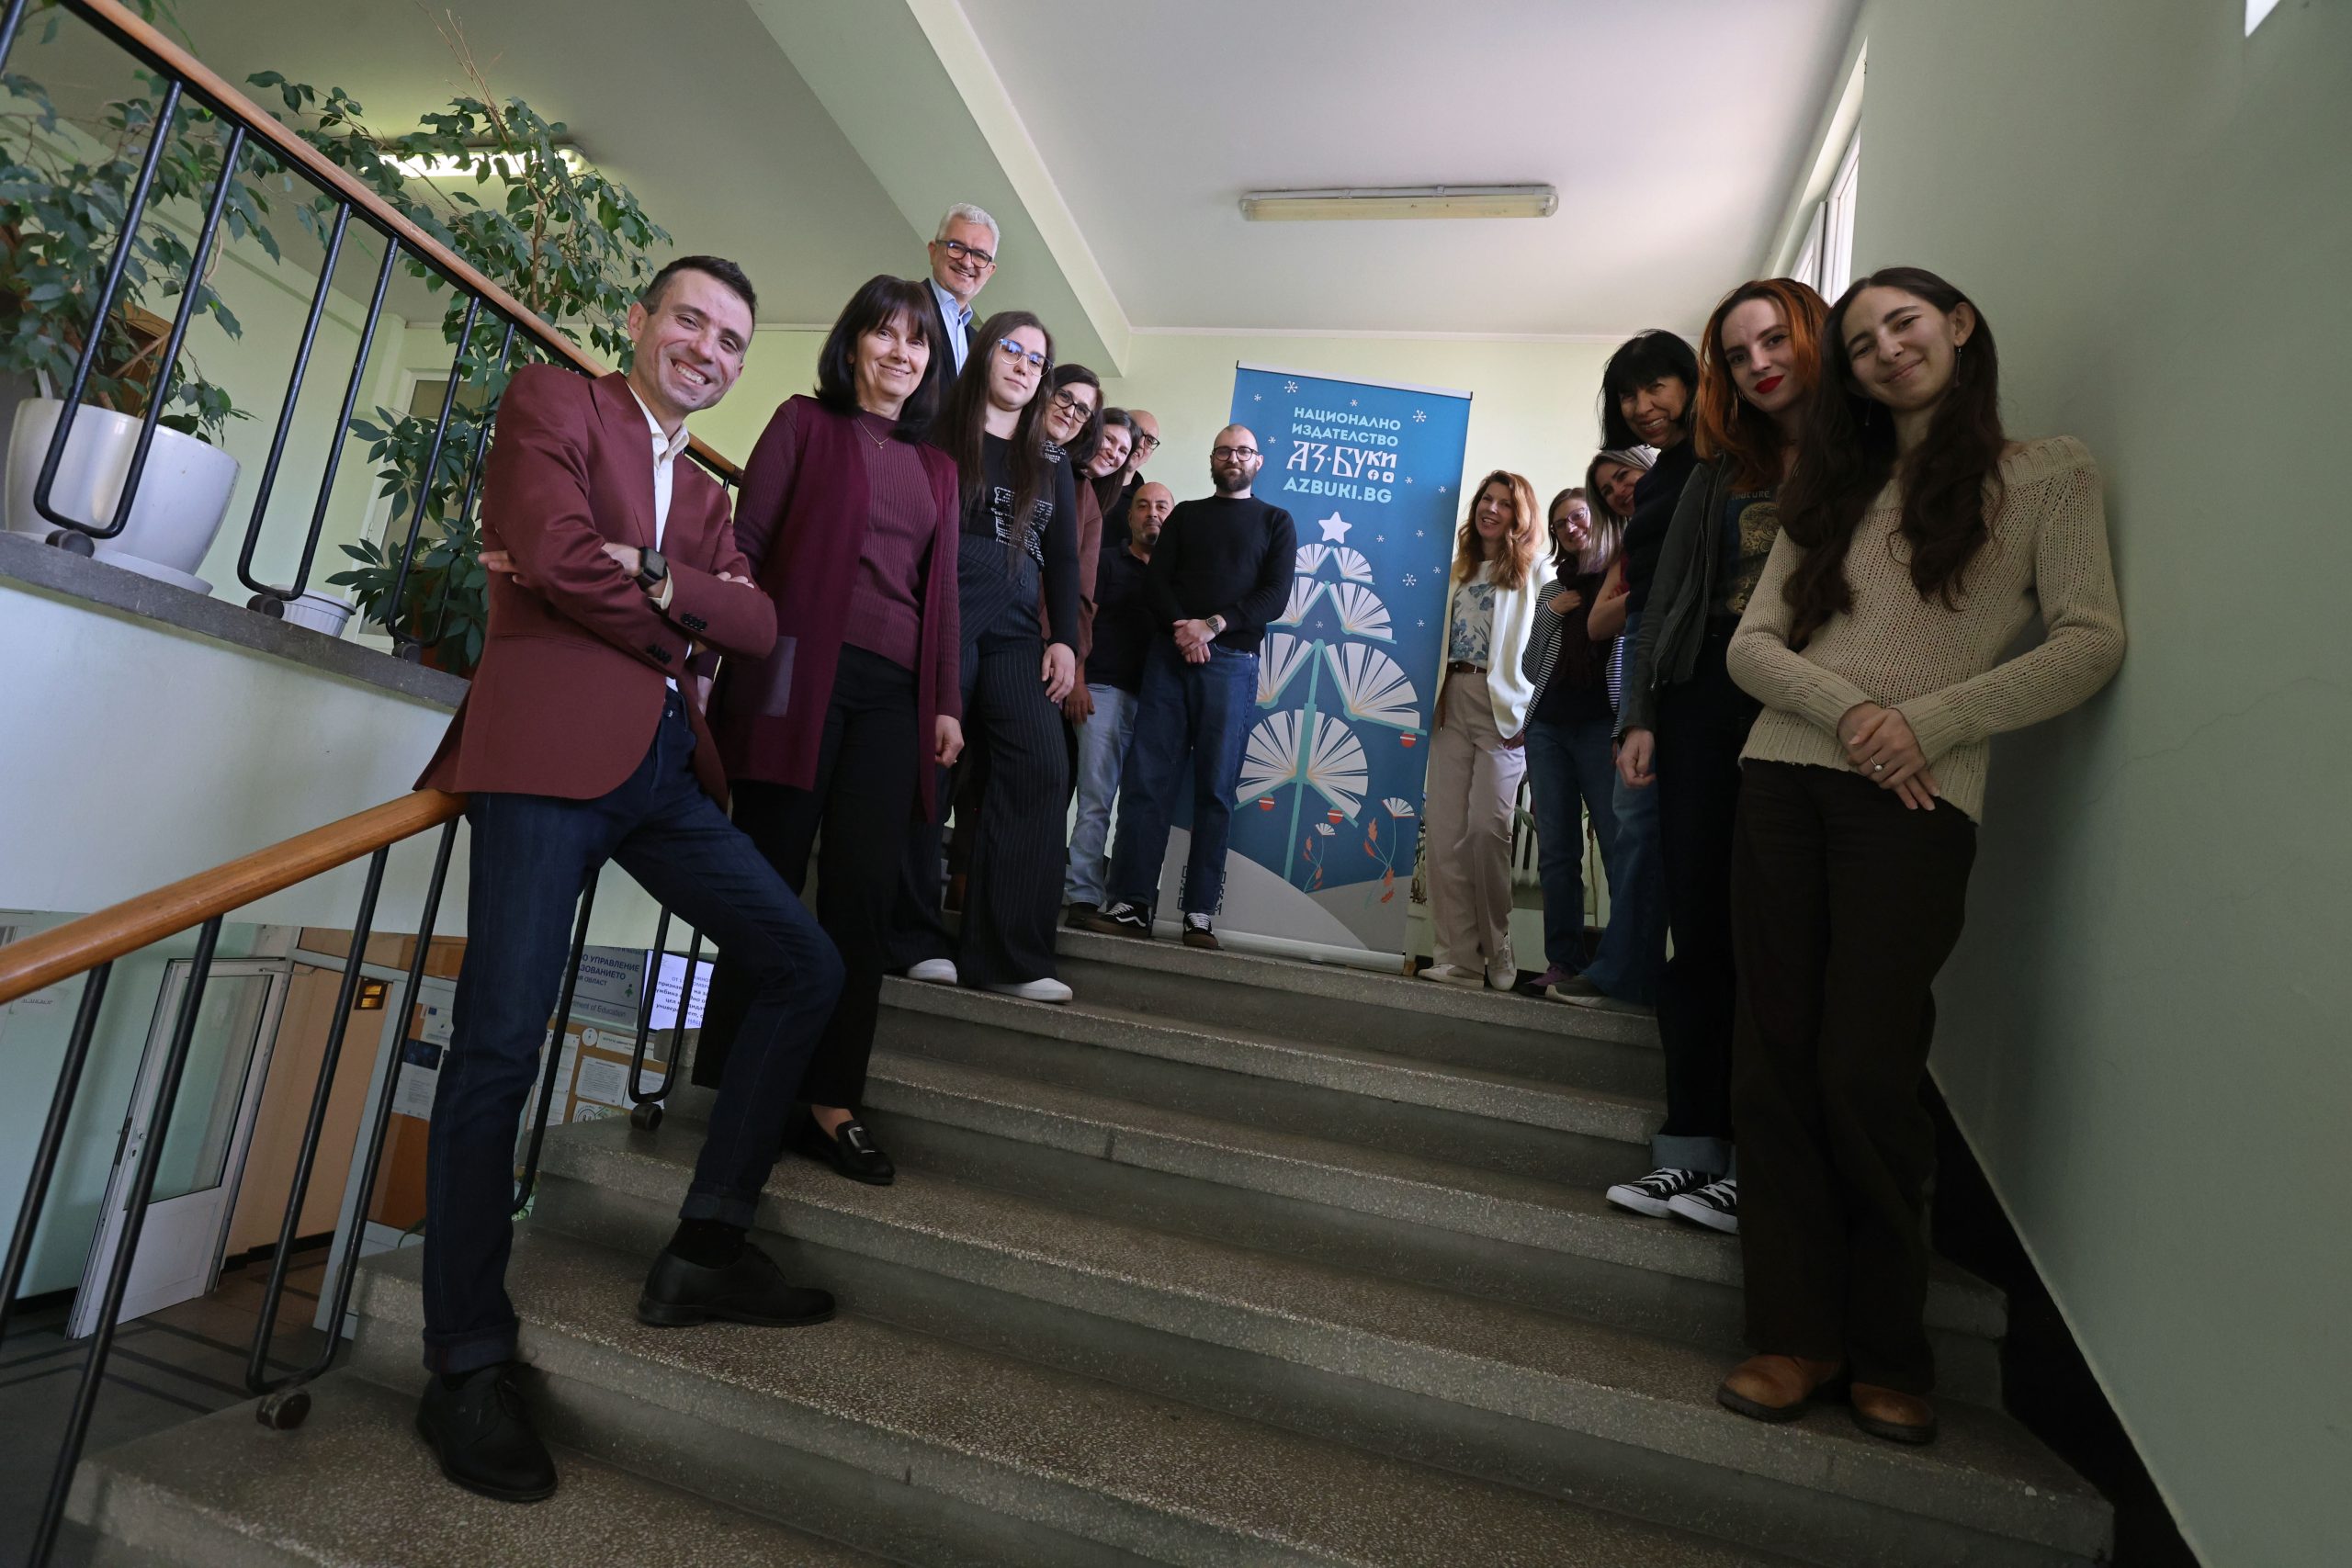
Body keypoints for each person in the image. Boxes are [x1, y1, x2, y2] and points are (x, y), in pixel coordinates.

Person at [417, 256, 842, 1501]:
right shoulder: (556, 401)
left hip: (665, 772)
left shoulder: (705, 494)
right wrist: (678, 615)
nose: (708, 348)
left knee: (803, 962)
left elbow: (757, 625)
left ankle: (706, 1241)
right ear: (640, 322)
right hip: (546, 754)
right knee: (501, 1044)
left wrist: (654, 574)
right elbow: (551, 553)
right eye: (690, 321)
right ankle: (465, 1359)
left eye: (731, 339)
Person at [1715, 267, 2122, 1445]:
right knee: (1773, 1059)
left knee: (1866, 1063)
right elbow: (1752, 648)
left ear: (1958, 326)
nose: (1887, 349)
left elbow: (2090, 640)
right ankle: (1793, 1335)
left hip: (1917, 798)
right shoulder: (1829, 486)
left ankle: (1891, 1350)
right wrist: (1852, 713)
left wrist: (1929, 724)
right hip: (1782, 779)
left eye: (1904, 323)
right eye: (1861, 342)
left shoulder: (2048, 475)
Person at [690, 275, 963, 1189]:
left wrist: (946, 701)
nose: (901, 352)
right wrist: (706, 663)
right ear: (852, 346)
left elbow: (941, 596)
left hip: (894, 697)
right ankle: (739, 1084)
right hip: (793, 676)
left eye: (917, 341)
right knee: (764, 880)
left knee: (861, 899)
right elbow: (746, 547)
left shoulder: (938, 469)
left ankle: (831, 1100)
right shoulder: (802, 423)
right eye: (884, 334)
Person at [1600, 281, 1832, 1238]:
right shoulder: (1717, 467)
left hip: (1805, 705)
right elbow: (1664, 598)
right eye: (1739, 354)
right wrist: (1641, 713)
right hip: (1701, 699)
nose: (1759, 364)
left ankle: (1756, 1158)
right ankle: (1690, 1146)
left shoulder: (1855, 456)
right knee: (1696, 930)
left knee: (1775, 935)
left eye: (1774, 341)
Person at [889, 310, 1081, 1000]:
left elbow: (1063, 558)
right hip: (949, 602)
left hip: (1020, 620)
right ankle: (910, 938)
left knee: (1042, 765)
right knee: (930, 762)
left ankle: (1010, 959)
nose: (1024, 365)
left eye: (1037, 359)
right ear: (984, 354)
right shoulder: (935, 429)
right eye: (1012, 349)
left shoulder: (1052, 459)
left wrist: (1066, 639)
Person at [1082, 426, 1295, 950]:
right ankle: (1131, 903)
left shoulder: (1276, 521)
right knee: (1147, 783)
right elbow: (1156, 583)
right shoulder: (1186, 516)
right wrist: (1185, 631)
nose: (1233, 458)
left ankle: (1199, 913)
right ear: (1212, 459)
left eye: (1243, 451)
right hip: (1169, 660)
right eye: (1224, 450)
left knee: (1215, 790)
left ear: (1258, 461)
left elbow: (1274, 596)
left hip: (1233, 664)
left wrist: (1212, 627)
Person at [1420, 470, 1544, 989]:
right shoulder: (1456, 570)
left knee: (1486, 832)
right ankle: (1459, 960)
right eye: (1485, 500)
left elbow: (1549, 648)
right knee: (1446, 836)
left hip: (1503, 711)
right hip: (1452, 700)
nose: (1491, 509)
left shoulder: (1536, 571)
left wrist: (1532, 714)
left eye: (1504, 503)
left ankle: (1498, 944)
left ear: (1520, 515)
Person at [1518, 485, 1624, 996]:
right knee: (1557, 852)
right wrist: (1550, 615)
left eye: (1578, 516)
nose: (1571, 527)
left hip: (1604, 727)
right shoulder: (1551, 590)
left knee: (1617, 845)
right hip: (1547, 729)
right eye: (1561, 523)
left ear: (1597, 519)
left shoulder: (1624, 579)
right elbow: (1528, 666)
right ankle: (1563, 962)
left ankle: (1623, 964)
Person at [1064, 479, 1172, 923]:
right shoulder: (1106, 562)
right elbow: (1079, 620)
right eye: (1143, 506)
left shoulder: (1177, 577)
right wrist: (1078, 681)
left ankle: (1125, 901)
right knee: (1095, 800)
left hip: (1156, 703)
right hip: (1102, 693)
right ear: (1129, 517)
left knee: (1139, 807)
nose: (1152, 513)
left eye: (1162, 506)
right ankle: (1082, 897)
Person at [922, 203, 998, 384]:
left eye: (980, 255)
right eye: (956, 247)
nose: (966, 262)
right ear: (933, 251)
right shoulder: (899, 306)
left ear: (990, 271)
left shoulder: (980, 346)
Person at [1102, 407, 1159, 543]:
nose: (1140, 444)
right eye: (1135, 432)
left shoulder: (1145, 504)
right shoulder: (1085, 479)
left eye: (1149, 440)